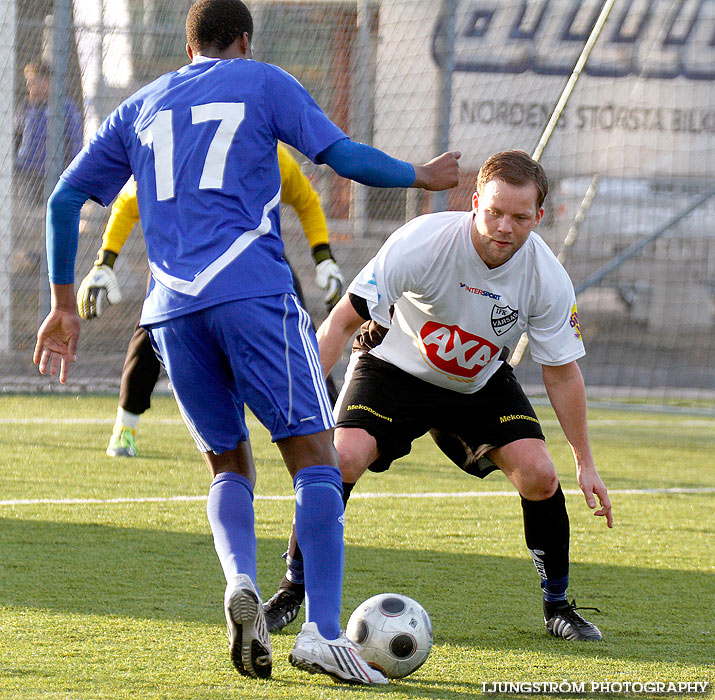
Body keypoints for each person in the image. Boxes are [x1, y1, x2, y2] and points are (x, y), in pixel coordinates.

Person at [34, 0, 459, 686]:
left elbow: (61, 199)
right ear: (243, 39)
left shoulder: (141, 104)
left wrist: (62, 306)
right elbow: (341, 156)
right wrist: (422, 175)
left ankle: (240, 583)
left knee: (228, 466)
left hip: (171, 309)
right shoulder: (262, 80)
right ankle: (321, 631)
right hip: (252, 294)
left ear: (189, 42)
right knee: (314, 460)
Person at [264, 150, 613, 643]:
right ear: (475, 203)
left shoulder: (548, 277)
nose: (504, 227)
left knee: (539, 475)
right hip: (392, 369)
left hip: (476, 383)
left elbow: (561, 373)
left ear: (539, 216)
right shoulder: (423, 242)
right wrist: (302, 411)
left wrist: (585, 461)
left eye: (519, 217)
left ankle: (557, 606)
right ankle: (291, 589)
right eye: (494, 212)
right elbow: (342, 321)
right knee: (340, 460)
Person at [75, 144, 345, 458]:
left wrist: (323, 256)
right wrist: (104, 262)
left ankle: (331, 424)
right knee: (150, 330)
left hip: (253, 255)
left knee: (296, 326)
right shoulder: (181, 152)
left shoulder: (267, 153)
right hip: (182, 257)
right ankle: (125, 426)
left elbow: (306, 200)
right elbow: (128, 203)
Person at [15, 61, 83, 203]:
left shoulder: (65, 108)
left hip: (53, 174)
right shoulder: (26, 107)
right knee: (27, 213)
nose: (28, 86)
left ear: (46, 82)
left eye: (32, 82)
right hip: (26, 174)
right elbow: (15, 137)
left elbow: (75, 142)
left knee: (47, 212)